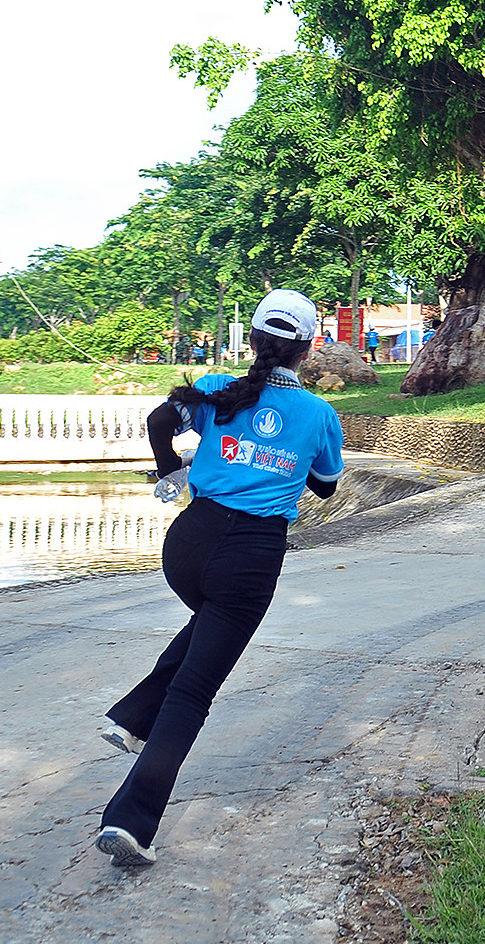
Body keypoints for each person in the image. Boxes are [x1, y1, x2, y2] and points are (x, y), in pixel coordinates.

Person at [95, 289, 344, 870]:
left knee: (206, 631)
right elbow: (327, 485)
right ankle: (128, 822)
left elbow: (160, 420)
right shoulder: (319, 416)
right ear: (307, 349)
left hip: (187, 544)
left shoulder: (214, 390)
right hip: (250, 558)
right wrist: (279, 458)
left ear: (253, 340)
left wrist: (168, 472)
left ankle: (133, 717)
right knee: (194, 692)